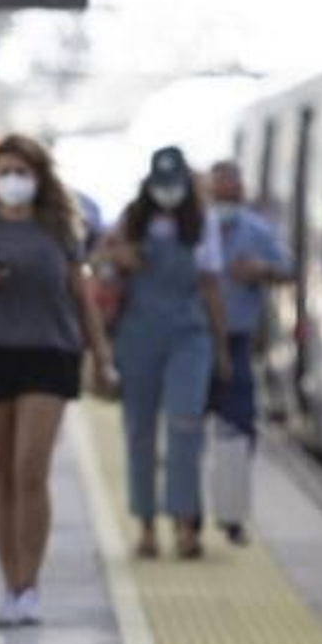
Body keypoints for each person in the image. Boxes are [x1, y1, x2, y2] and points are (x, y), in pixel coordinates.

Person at [0, 134, 114, 627]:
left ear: (39, 177)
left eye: (23, 172)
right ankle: (9, 584)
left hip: (48, 356)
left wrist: (102, 357)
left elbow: (82, 296)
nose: (14, 181)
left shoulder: (60, 227)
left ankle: (29, 585)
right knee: (0, 475)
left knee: (30, 470)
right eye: (5, 171)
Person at [105, 146, 231, 561]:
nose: (168, 195)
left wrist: (221, 345)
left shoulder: (203, 221)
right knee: (139, 430)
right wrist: (118, 257)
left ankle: (185, 522)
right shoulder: (130, 219)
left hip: (188, 336)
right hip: (137, 335)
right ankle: (145, 525)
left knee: (185, 425)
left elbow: (211, 284)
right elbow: (101, 270)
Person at [206, 160, 292, 544]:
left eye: (232, 193)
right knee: (185, 430)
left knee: (240, 426)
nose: (225, 200)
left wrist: (261, 270)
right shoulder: (192, 232)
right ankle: (185, 518)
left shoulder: (256, 232)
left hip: (238, 341)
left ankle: (231, 514)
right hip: (193, 340)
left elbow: (287, 269)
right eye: (218, 193)